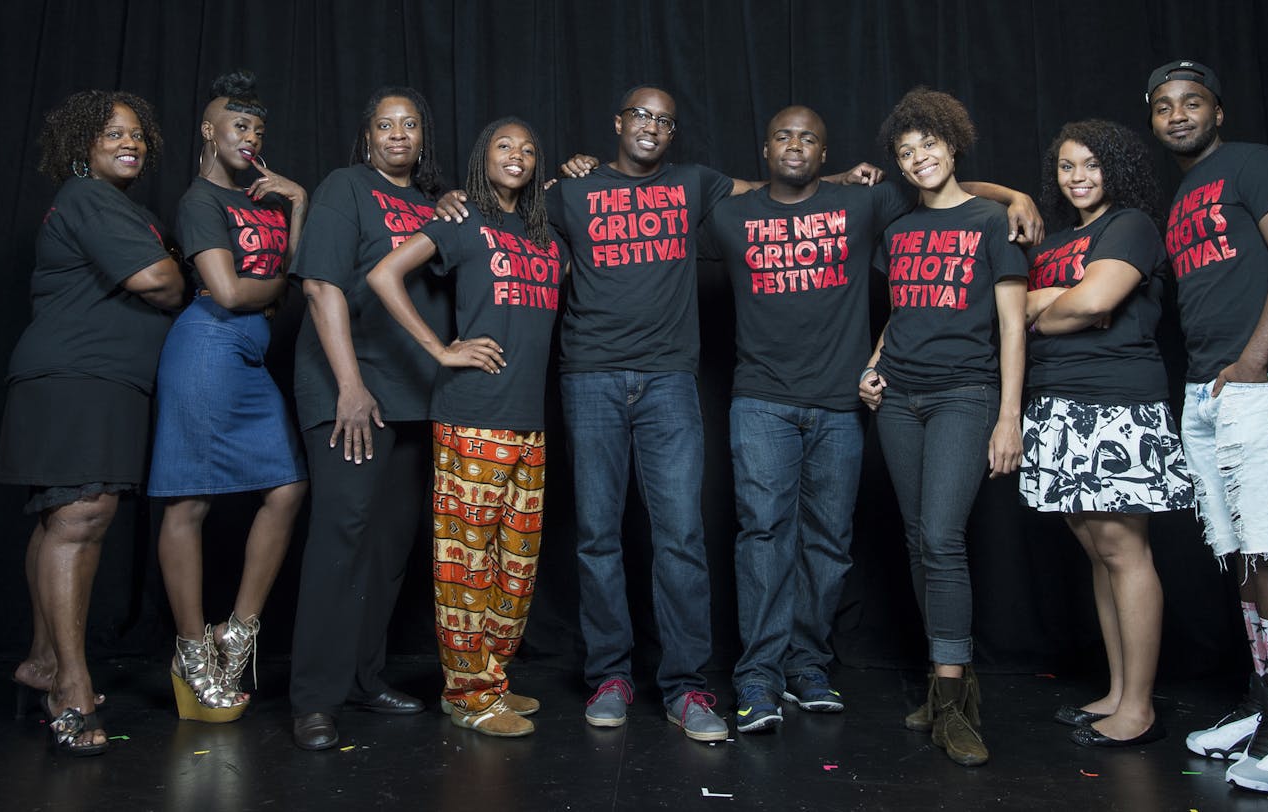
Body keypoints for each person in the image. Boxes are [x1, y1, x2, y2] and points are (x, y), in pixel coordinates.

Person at [436, 84, 886, 743]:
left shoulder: (695, 183)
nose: (651, 127)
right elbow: (504, 213)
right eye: (641, 115)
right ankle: (610, 676)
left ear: (673, 134)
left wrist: (840, 175)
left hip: (670, 381)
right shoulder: (570, 192)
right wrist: (454, 197)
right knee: (596, 536)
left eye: (664, 121)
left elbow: (768, 188)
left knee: (679, 537)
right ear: (618, 122)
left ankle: (686, 685)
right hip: (589, 378)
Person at [701, 105, 1042, 734]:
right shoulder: (729, 213)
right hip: (762, 401)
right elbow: (677, 202)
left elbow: (946, 190)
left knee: (829, 545)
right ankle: (758, 677)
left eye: (809, 136)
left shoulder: (866, 205)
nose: (795, 145)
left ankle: (807, 665)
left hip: (842, 406)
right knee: (764, 536)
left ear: (826, 153)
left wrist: (1017, 193)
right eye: (783, 135)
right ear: (766, 146)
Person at [1146, 60, 1268, 794]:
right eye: (1164, 107)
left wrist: (1254, 361)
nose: (1178, 115)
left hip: (1266, 382)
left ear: (1217, 111)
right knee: (1246, 557)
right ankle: (1266, 709)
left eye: (1191, 103)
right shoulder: (1184, 193)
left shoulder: (1254, 163)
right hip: (1211, 391)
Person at [0, 90, 183, 755]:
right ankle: (70, 686)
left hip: (101, 380)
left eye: (136, 134)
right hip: (79, 377)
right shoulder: (88, 197)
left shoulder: (123, 208)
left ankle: (43, 660)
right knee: (81, 516)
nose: (128, 143)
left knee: (62, 515)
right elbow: (160, 280)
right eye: (111, 134)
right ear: (82, 146)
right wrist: (181, 282)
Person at [367, 117, 566, 738]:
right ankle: (467, 694)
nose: (519, 154)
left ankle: (493, 680)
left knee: (517, 565)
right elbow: (383, 275)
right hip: (471, 415)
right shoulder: (463, 220)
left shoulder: (545, 234)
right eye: (505, 144)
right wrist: (441, 349)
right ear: (483, 156)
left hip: (529, 420)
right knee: (467, 565)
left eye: (529, 147)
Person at [858, 87, 1027, 767]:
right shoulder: (898, 231)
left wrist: (1008, 415)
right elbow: (907, 311)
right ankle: (946, 681)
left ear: (953, 146)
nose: (918, 156)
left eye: (929, 143)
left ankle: (954, 704)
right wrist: (872, 365)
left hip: (964, 395)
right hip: (900, 398)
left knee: (940, 538)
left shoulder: (992, 220)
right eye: (906, 150)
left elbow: (1013, 325)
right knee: (914, 540)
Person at [1020, 119, 1193, 748]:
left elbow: (1096, 302)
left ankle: (1139, 708)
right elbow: (1029, 305)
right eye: (1066, 166)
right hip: (1056, 405)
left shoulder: (1133, 226)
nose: (1078, 177)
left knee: (1124, 550)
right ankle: (1119, 691)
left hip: (1116, 403)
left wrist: (1045, 307)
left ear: (1115, 168)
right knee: (1097, 551)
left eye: (1091, 164)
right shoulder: (1061, 238)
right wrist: (1052, 301)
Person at [287, 86, 449, 751]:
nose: (397, 134)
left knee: (387, 546)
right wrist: (349, 388)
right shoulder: (344, 188)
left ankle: (364, 676)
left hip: (414, 397)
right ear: (367, 137)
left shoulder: (434, 207)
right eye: (385, 125)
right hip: (352, 394)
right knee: (341, 539)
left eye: (409, 124)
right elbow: (321, 284)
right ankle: (313, 700)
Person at [148, 71, 309, 722]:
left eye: (258, 129)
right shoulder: (198, 202)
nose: (251, 136)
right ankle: (191, 649)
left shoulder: (264, 200)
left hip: (246, 354)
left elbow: (276, 278)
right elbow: (236, 291)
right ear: (210, 132)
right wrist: (276, 283)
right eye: (238, 126)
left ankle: (236, 633)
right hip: (208, 348)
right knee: (191, 500)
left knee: (287, 488)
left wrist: (297, 205)